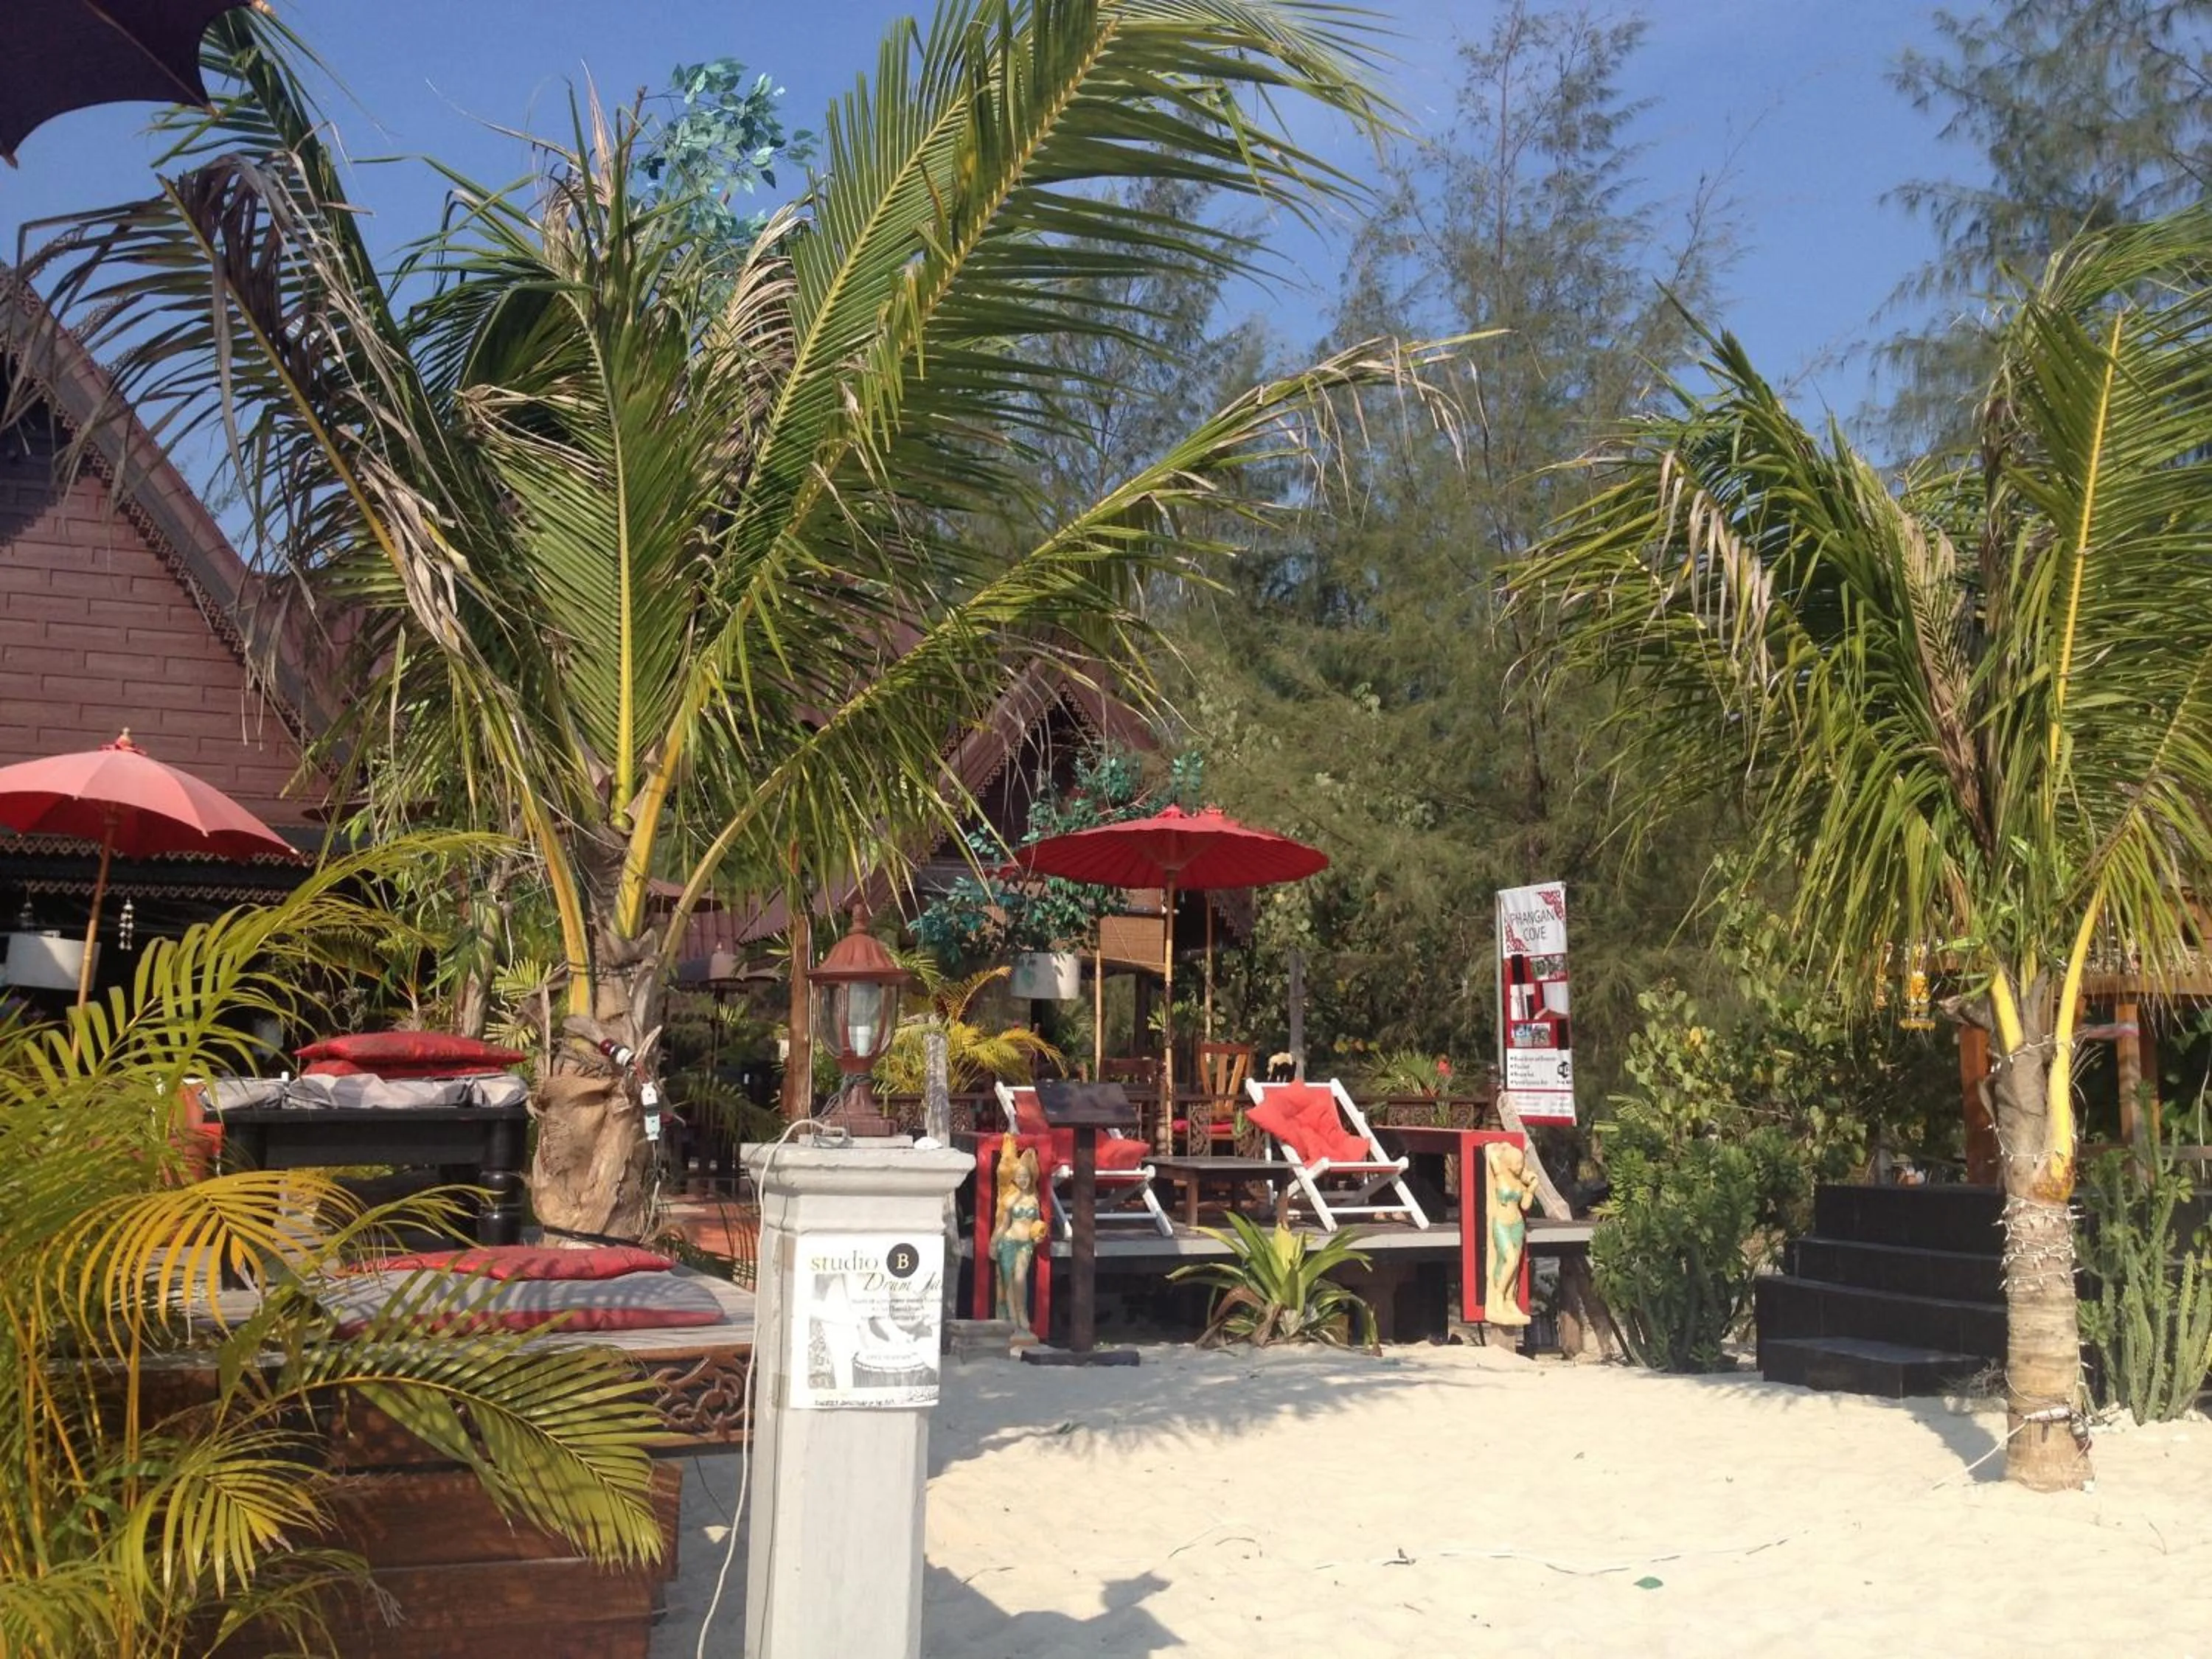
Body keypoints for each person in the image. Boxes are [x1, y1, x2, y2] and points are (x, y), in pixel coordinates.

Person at [990, 1135, 1047, 1338]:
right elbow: (1004, 1225)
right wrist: (993, 1243)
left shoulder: (1034, 1200)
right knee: (1008, 1280)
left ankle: (1022, 1313)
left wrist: (1039, 1235)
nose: (1023, 1180)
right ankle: (1012, 1318)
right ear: (1014, 1178)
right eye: (1020, 1177)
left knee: (1020, 1278)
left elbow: (1037, 1222)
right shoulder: (1010, 1200)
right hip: (1009, 1241)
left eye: (1026, 1177)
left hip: (1025, 1244)